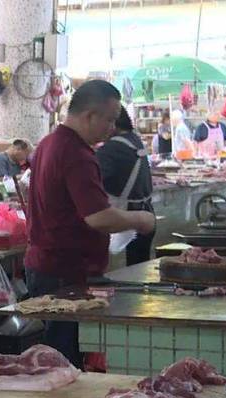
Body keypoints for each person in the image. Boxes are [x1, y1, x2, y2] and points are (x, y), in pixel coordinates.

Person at [25, 79, 155, 368]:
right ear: (89, 116)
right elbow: (98, 217)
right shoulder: (77, 154)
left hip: (46, 265)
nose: (112, 127)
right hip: (65, 272)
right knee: (65, 364)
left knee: (58, 357)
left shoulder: (49, 143)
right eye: (109, 120)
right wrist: (141, 219)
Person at [96, 107, 155, 266]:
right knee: (138, 272)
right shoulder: (133, 139)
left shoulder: (112, 148)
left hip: (127, 222)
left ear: (112, 122)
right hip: (145, 212)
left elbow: (91, 180)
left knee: (125, 276)